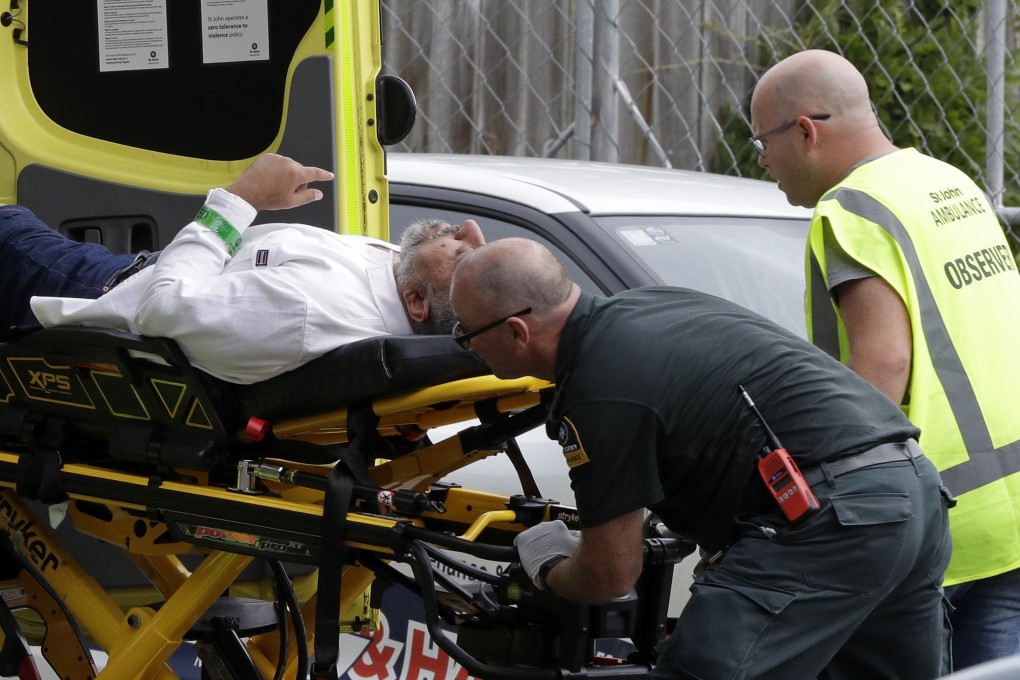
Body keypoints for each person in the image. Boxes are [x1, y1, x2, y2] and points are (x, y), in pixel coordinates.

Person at [449, 237, 954, 679]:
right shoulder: (654, 305)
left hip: (830, 519)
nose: (465, 347)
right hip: (912, 493)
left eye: (466, 335)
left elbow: (609, 575)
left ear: (517, 331)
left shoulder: (599, 389)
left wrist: (548, 567)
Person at [750, 49, 1020, 669]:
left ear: (805, 131)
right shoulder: (947, 181)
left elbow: (883, 363)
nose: (764, 163)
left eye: (762, 143)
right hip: (1009, 511)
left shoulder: (851, 209)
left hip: (940, 518)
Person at [0, 154, 485, 384]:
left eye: (461, 252)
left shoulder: (306, 311)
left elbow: (161, 307)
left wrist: (243, 199)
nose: (467, 228)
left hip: (105, 291)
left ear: (419, 304)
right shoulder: (400, 280)